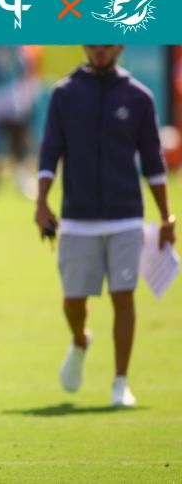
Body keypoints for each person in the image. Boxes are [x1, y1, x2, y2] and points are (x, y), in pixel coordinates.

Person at [35, 44, 176, 408]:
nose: (99, 50)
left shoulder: (138, 96)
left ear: (120, 46)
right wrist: (41, 202)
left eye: (107, 43)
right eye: (93, 43)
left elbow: (153, 162)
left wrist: (165, 216)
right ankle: (81, 340)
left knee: (123, 295)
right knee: (73, 301)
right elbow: (51, 152)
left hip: (126, 214)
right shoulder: (64, 94)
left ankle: (120, 382)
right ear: (84, 46)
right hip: (77, 215)